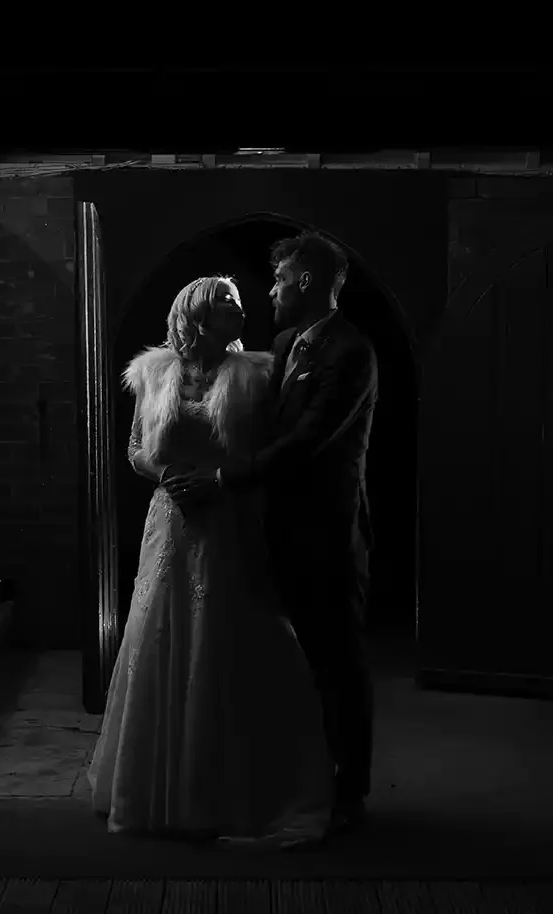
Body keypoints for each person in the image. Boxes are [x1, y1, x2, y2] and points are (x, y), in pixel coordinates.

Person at [86, 275, 333, 848]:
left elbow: (269, 454)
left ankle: (230, 788)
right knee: (159, 636)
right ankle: (157, 792)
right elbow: (134, 447)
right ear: (196, 315)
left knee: (229, 633)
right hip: (170, 522)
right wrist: (164, 474)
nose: (239, 314)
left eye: (241, 305)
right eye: (226, 306)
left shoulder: (256, 375)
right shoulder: (153, 373)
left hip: (228, 520)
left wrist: (222, 485)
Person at [165, 233, 378, 836]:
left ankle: (351, 792)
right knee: (287, 667)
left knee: (338, 662)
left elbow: (308, 441)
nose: (274, 292)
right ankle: (296, 777)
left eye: (281, 280)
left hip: (329, 535)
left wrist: (222, 476)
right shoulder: (285, 345)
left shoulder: (350, 352)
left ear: (307, 282)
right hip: (272, 529)